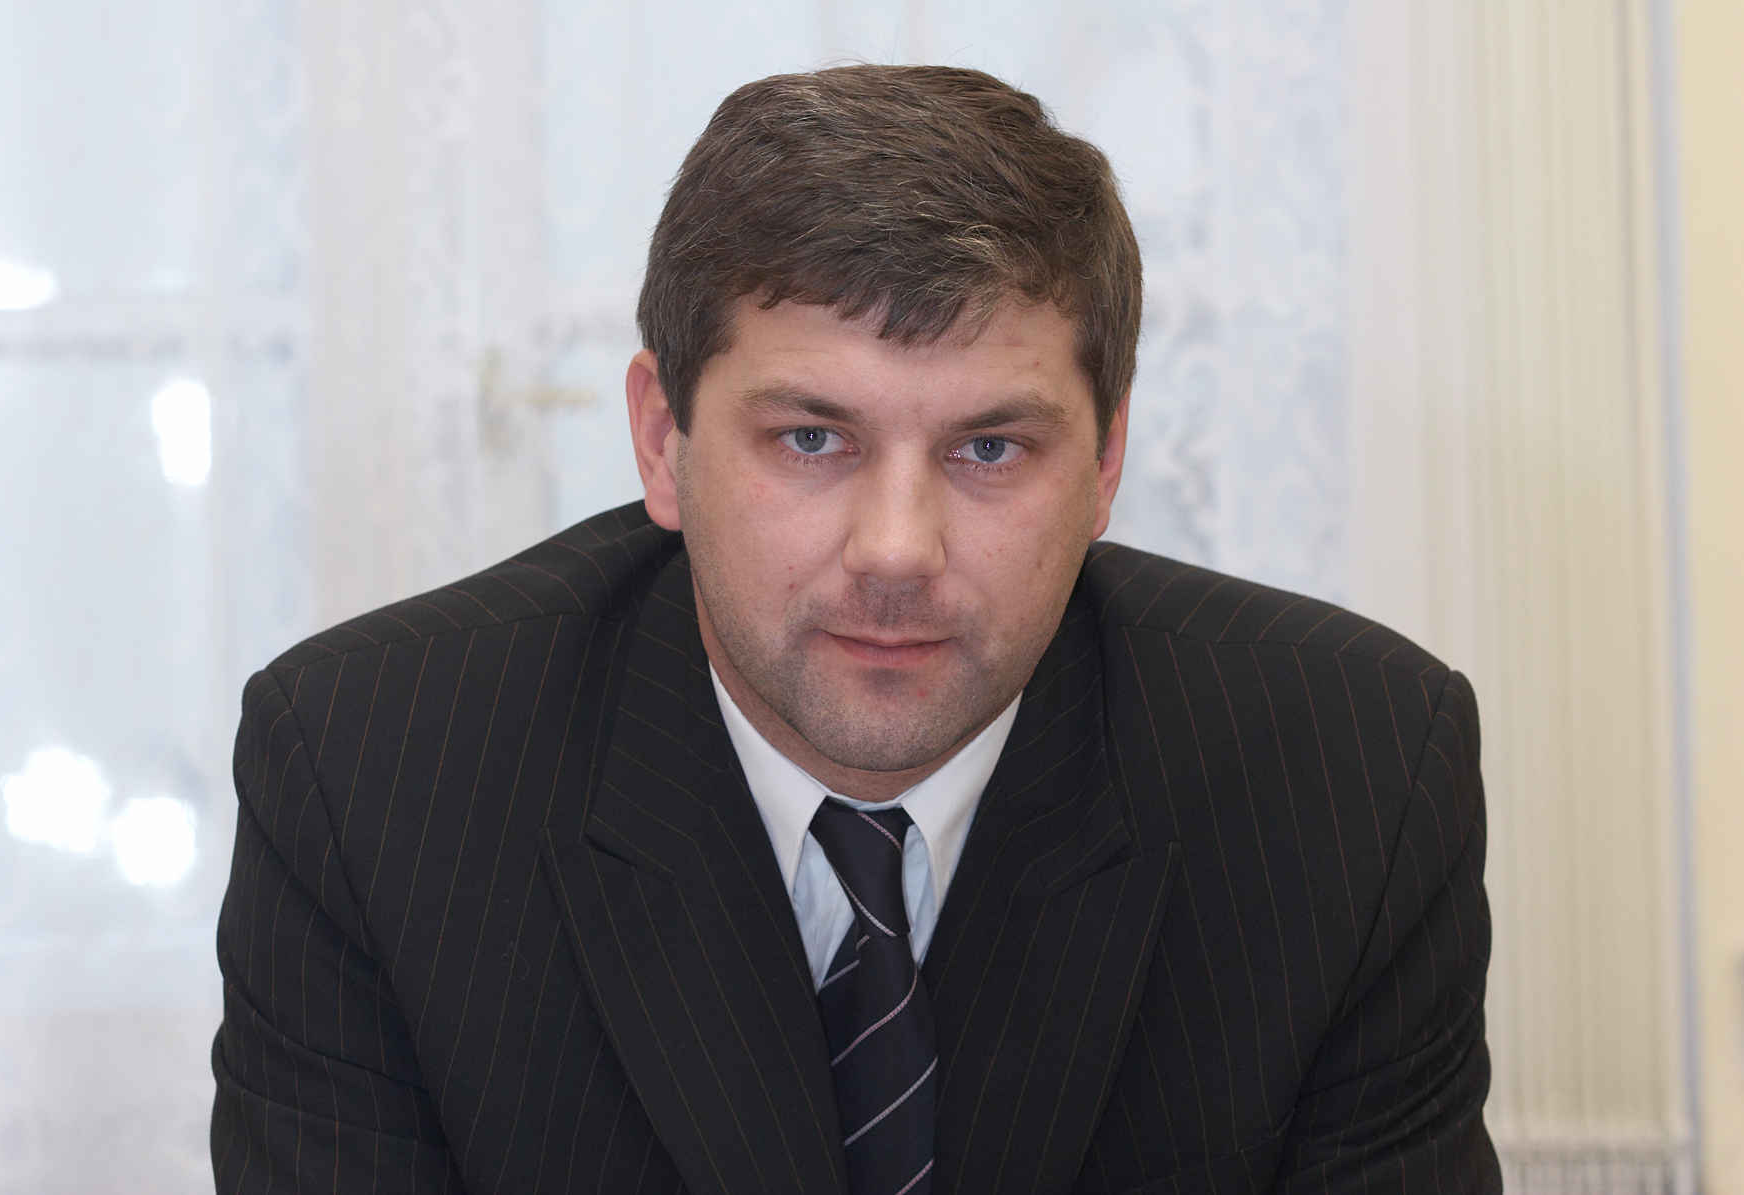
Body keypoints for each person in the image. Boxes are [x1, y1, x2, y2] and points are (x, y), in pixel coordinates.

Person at [211, 64, 1498, 1195]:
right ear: (661, 440)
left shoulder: (1354, 777)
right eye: (811, 439)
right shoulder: (369, 773)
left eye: (989, 448)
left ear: (1105, 463)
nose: (896, 551)